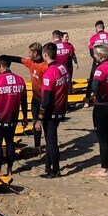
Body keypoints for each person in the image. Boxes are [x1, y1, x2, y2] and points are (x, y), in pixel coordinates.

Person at [0, 56, 28, 177]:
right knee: (10, 143)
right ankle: (10, 168)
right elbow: (24, 100)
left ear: (0, 66)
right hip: (12, 119)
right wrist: (24, 116)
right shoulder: (20, 80)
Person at [7, 43, 48, 155]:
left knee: (45, 125)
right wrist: (4, 57)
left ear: (35, 53)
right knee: (35, 123)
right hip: (35, 99)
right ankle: (37, 147)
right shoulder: (31, 62)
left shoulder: (45, 67)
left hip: (44, 101)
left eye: (30, 52)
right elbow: (18, 59)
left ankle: (50, 147)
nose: (28, 54)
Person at [36, 43, 69, 178]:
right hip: (61, 108)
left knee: (51, 142)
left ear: (45, 55)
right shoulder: (63, 68)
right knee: (50, 140)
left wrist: (39, 118)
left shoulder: (49, 73)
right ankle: (48, 166)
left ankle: (55, 170)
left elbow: (47, 99)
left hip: (52, 111)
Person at [89, 44, 108, 177]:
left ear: (100, 56)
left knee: (102, 138)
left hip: (102, 105)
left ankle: (103, 168)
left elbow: (94, 86)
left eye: (95, 54)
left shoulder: (101, 68)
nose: (94, 56)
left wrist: (99, 97)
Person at [84, 21, 108, 105]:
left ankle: (87, 101)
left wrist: (98, 60)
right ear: (104, 27)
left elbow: (92, 53)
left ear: (96, 28)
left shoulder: (94, 38)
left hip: (98, 61)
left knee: (93, 80)